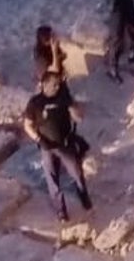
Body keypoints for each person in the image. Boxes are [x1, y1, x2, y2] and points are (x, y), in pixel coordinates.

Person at [22, 71, 92, 222]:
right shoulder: (35, 103)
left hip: (65, 144)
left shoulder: (63, 97)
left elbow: (78, 117)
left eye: (58, 84)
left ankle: (84, 199)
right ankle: (61, 211)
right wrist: (39, 139)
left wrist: (74, 110)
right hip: (47, 146)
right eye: (54, 85)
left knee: (76, 173)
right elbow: (27, 125)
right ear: (44, 85)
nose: (57, 87)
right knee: (53, 180)